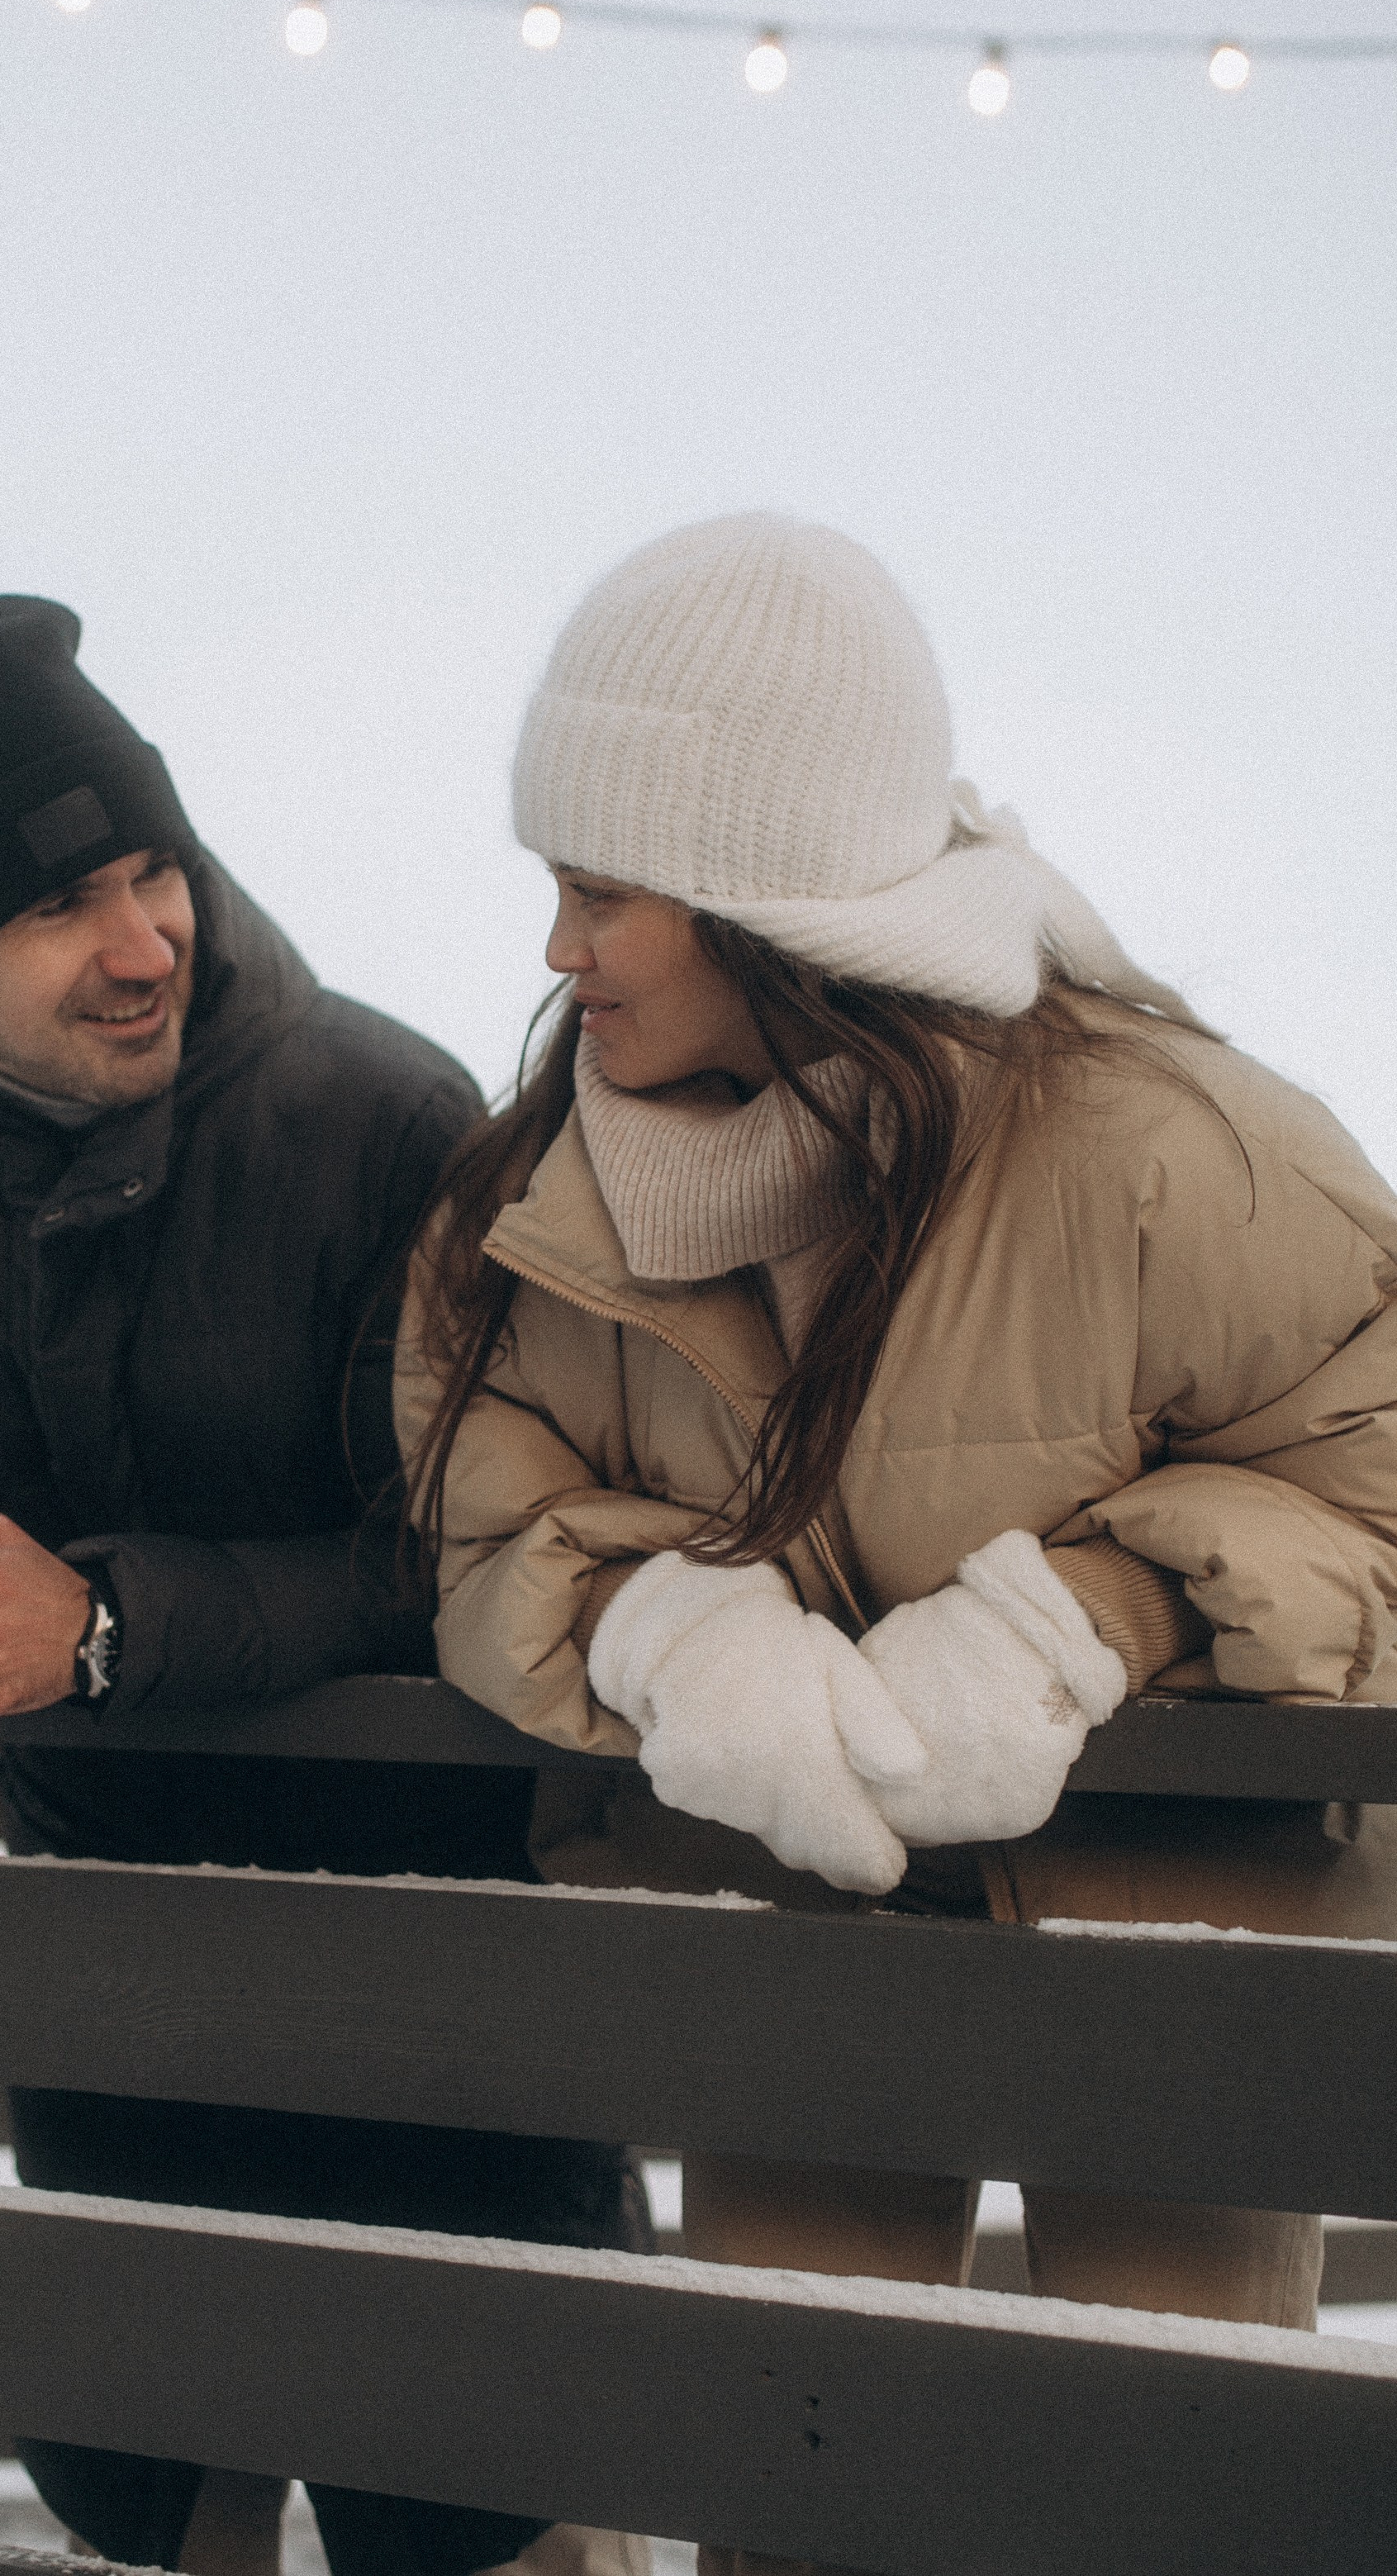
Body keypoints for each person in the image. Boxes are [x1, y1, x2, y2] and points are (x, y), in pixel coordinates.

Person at [397, 513, 1397, 2576]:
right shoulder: (537, 1209)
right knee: (795, 2496)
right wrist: (662, 1634)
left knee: (1177, 2501)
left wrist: (1095, 1619)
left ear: (761, 902)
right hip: (785, 1960)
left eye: (600, 892)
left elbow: (1375, 1483)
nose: (556, 951)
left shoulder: (1168, 1150)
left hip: (1167, 1971)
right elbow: (480, 1509)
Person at [0, 579, 650, 2576]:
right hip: (110, 1949)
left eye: (163, 870)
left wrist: (105, 1620)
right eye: (69, 904)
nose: (149, 939)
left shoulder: (388, 1124)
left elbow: (475, 1557)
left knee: (491, 2505)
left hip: (434, 1938)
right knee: (159, 2497)